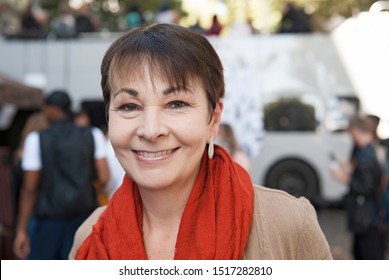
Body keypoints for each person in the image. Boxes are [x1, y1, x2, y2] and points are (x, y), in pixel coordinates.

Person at [69, 23, 331, 260]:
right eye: (129, 106)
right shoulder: (90, 238)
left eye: (176, 104)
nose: (150, 130)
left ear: (213, 119)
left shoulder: (289, 223)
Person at [13, 90, 109, 260]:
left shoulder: (36, 139)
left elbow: (29, 189)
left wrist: (21, 230)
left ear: (50, 109)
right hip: (84, 216)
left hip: (49, 220)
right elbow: (103, 177)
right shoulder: (93, 134)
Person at [331, 115, 385, 259]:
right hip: (372, 216)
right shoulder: (371, 149)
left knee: (365, 255)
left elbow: (366, 187)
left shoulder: (366, 155)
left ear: (355, 131)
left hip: (367, 218)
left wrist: (344, 178)